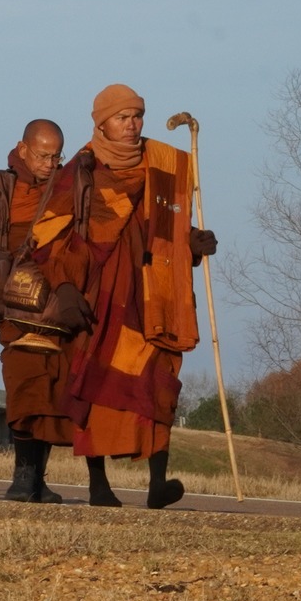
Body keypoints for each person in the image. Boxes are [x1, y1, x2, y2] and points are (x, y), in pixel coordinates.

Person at [58, 85, 217, 508]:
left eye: (137, 116)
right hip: (101, 296)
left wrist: (193, 244)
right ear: (101, 123)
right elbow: (54, 234)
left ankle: (157, 484)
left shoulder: (162, 163)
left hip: (154, 295)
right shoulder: (82, 168)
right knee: (95, 379)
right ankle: (98, 485)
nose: (132, 125)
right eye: (122, 117)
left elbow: (169, 233)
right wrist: (67, 285)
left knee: (158, 380)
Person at [0, 119, 86, 504]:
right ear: (23, 148)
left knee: (52, 393)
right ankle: (22, 474)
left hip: (57, 306)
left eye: (57, 156)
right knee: (23, 389)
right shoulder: (1, 188)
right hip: (15, 306)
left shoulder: (70, 188)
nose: (51, 163)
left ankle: (38, 478)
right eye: (44, 155)